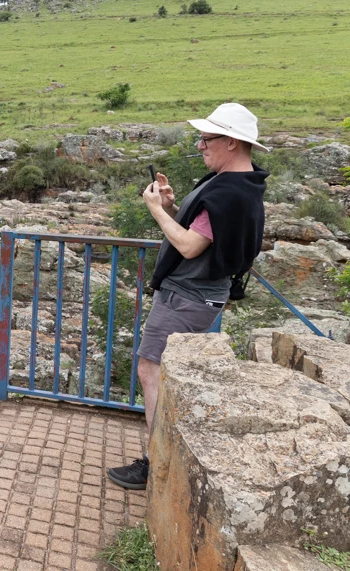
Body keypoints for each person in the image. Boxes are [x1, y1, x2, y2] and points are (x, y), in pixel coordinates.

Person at [107, 103, 269, 490]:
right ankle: (165, 457)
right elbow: (207, 231)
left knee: (151, 370)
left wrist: (155, 212)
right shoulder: (236, 185)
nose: (200, 145)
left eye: (206, 138)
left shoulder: (230, 192)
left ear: (231, 142)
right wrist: (171, 206)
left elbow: (191, 246)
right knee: (161, 370)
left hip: (187, 296)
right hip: (198, 296)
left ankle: (156, 462)